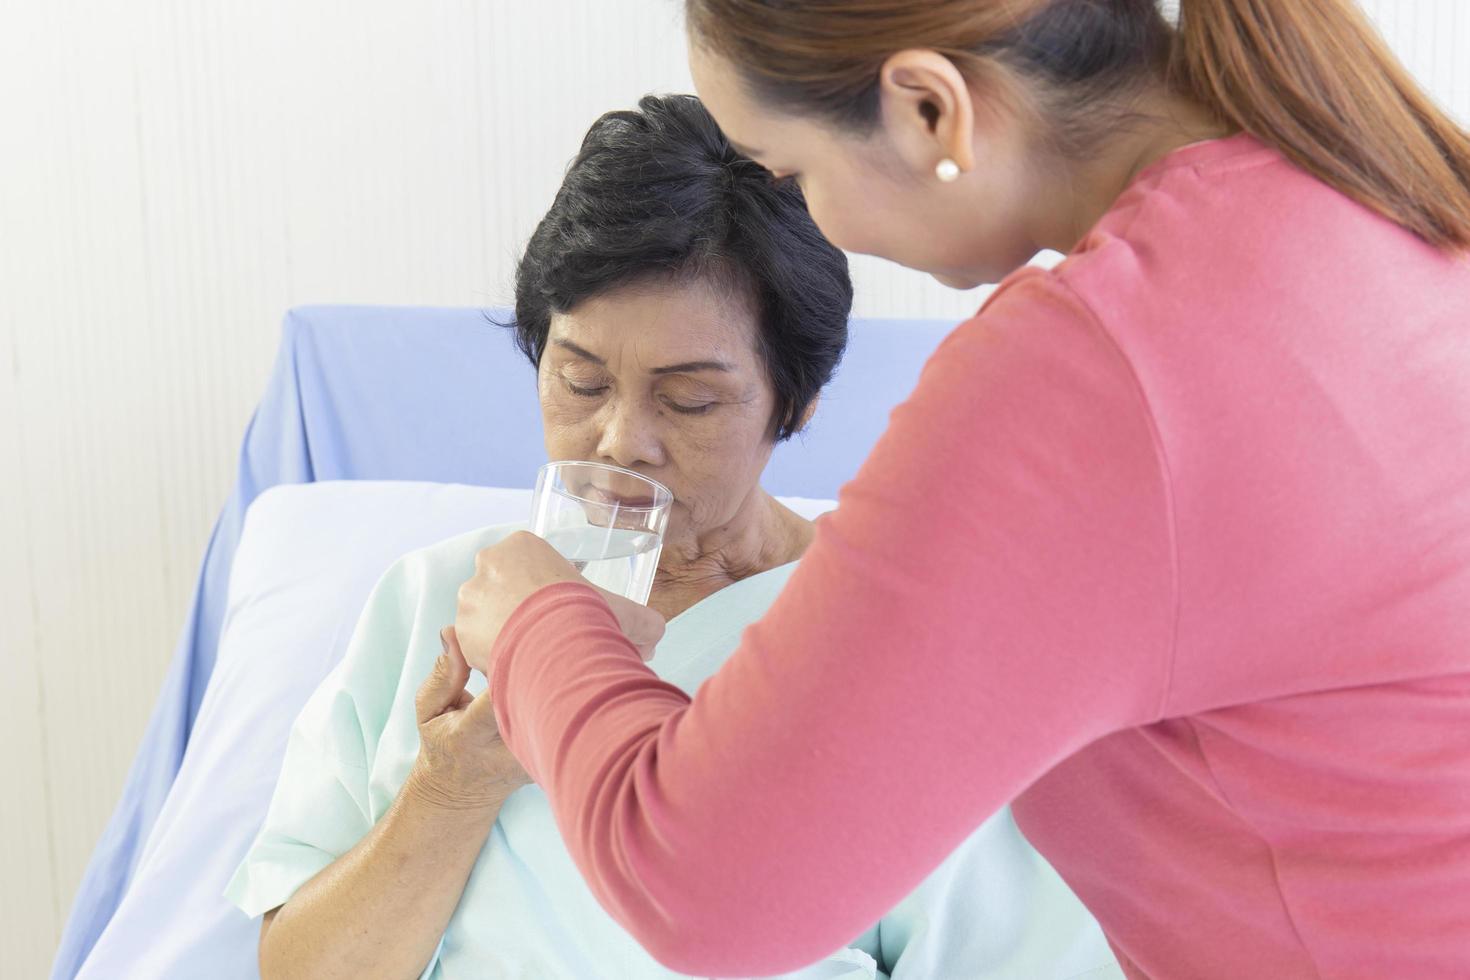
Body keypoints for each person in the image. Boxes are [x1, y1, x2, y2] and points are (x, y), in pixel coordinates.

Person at [452, 2, 1470, 978]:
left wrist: (538, 620)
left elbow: (701, 880)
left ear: (929, 108)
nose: (814, 216)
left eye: (791, 170)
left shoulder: (1094, 371)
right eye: (581, 379)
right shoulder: (1374, 198)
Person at [227, 94, 1118, 980]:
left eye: (689, 399)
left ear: (797, 404)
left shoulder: (898, 638)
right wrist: (453, 788)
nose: (620, 441)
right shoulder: (435, 600)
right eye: (579, 382)